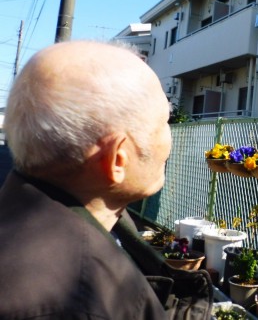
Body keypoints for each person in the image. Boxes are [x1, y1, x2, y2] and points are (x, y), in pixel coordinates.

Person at [0, 41, 212, 319]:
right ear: (117, 159)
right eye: (164, 122)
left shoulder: (31, 222)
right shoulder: (76, 302)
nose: (169, 137)